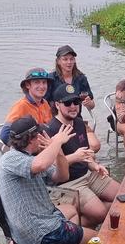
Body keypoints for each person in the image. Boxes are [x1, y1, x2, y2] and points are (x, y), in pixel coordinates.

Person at [0, 116, 96, 244]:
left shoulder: (32, 157)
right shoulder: (10, 158)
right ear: (32, 138)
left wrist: (57, 150)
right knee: (98, 240)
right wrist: (57, 141)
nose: (44, 136)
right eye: (40, 134)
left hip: (40, 220)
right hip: (39, 232)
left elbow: (61, 176)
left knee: (70, 209)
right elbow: (40, 165)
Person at [46, 83, 119, 227]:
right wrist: (75, 157)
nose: (73, 106)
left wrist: (94, 165)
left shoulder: (79, 123)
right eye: (67, 103)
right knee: (100, 213)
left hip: (87, 173)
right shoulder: (50, 130)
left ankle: (85, 218)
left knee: (122, 195)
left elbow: (85, 154)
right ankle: (76, 227)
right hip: (67, 183)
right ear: (57, 105)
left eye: (76, 102)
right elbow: (49, 166)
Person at [0, 67, 53, 143]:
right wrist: (23, 149)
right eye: (37, 82)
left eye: (44, 82)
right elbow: (4, 136)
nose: (42, 86)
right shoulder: (20, 106)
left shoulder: (45, 103)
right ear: (28, 85)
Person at [46, 45, 96, 121]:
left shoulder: (81, 78)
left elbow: (91, 105)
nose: (69, 62)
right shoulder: (51, 78)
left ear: (74, 61)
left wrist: (89, 103)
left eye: (71, 59)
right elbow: (43, 103)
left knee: (91, 133)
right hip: (55, 120)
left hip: (76, 119)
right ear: (58, 61)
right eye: (65, 59)